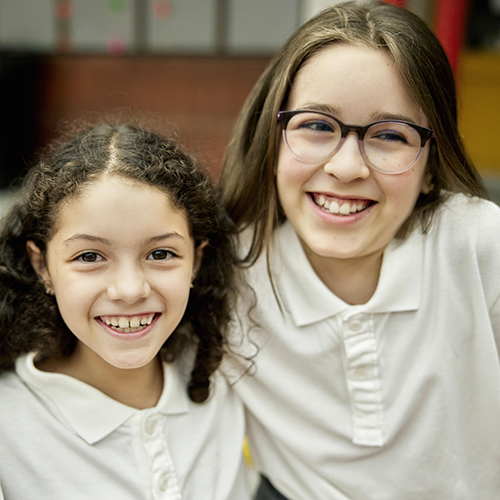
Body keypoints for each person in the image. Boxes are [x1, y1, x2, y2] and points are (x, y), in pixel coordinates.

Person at [220, 2, 500, 499]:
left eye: (390, 134)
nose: (347, 167)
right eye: (316, 126)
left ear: (431, 165)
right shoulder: (227, 276)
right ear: (272, 140)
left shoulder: (478, 247)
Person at [0, 123, 250, 499]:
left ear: (196, 261)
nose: (130, 290)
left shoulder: (231, 378)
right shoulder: (10, 427)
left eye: (161, 253)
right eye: (89, 256)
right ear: (42, 267)